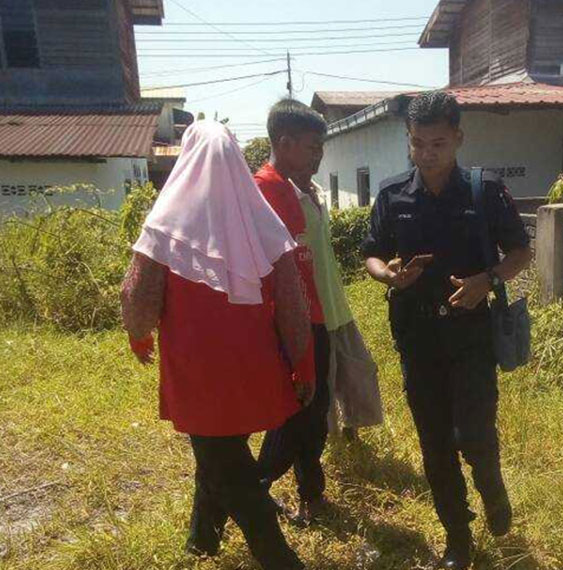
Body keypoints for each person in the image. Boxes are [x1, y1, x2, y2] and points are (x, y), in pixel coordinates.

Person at [120, 121, 313, 570]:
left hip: (197, 375)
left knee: (224, 463)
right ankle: (202, 540)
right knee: (218, 453)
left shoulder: (165, 223)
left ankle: (280, 559)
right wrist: (302, 361)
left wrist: (138, 333)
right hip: (253, 368)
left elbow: (138, 297)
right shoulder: (263, 221)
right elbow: (294, 306)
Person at [361, 91, 531, 570]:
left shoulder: (484, 191)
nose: (426, 154)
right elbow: (372, 252)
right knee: (435, 443)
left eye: (437, 143)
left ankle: (492, 491)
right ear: (408, 140)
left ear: (457, 138)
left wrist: (487, 280)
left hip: (471, 334)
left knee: (474, 433)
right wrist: (388, 274)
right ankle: (458, 536)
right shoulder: (392, 195)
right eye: (417, 143)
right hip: (417, 338)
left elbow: (521, 252)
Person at [256, 99, 382, 524]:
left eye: (321, 148)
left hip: (323, 313)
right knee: (298, 413)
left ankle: (310, 493)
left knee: (314, 408)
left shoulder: (305, 190)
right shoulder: (265, 191)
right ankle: (254, 489)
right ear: (284, 143)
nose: (319, 156)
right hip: (294, 321)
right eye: (312, 148)